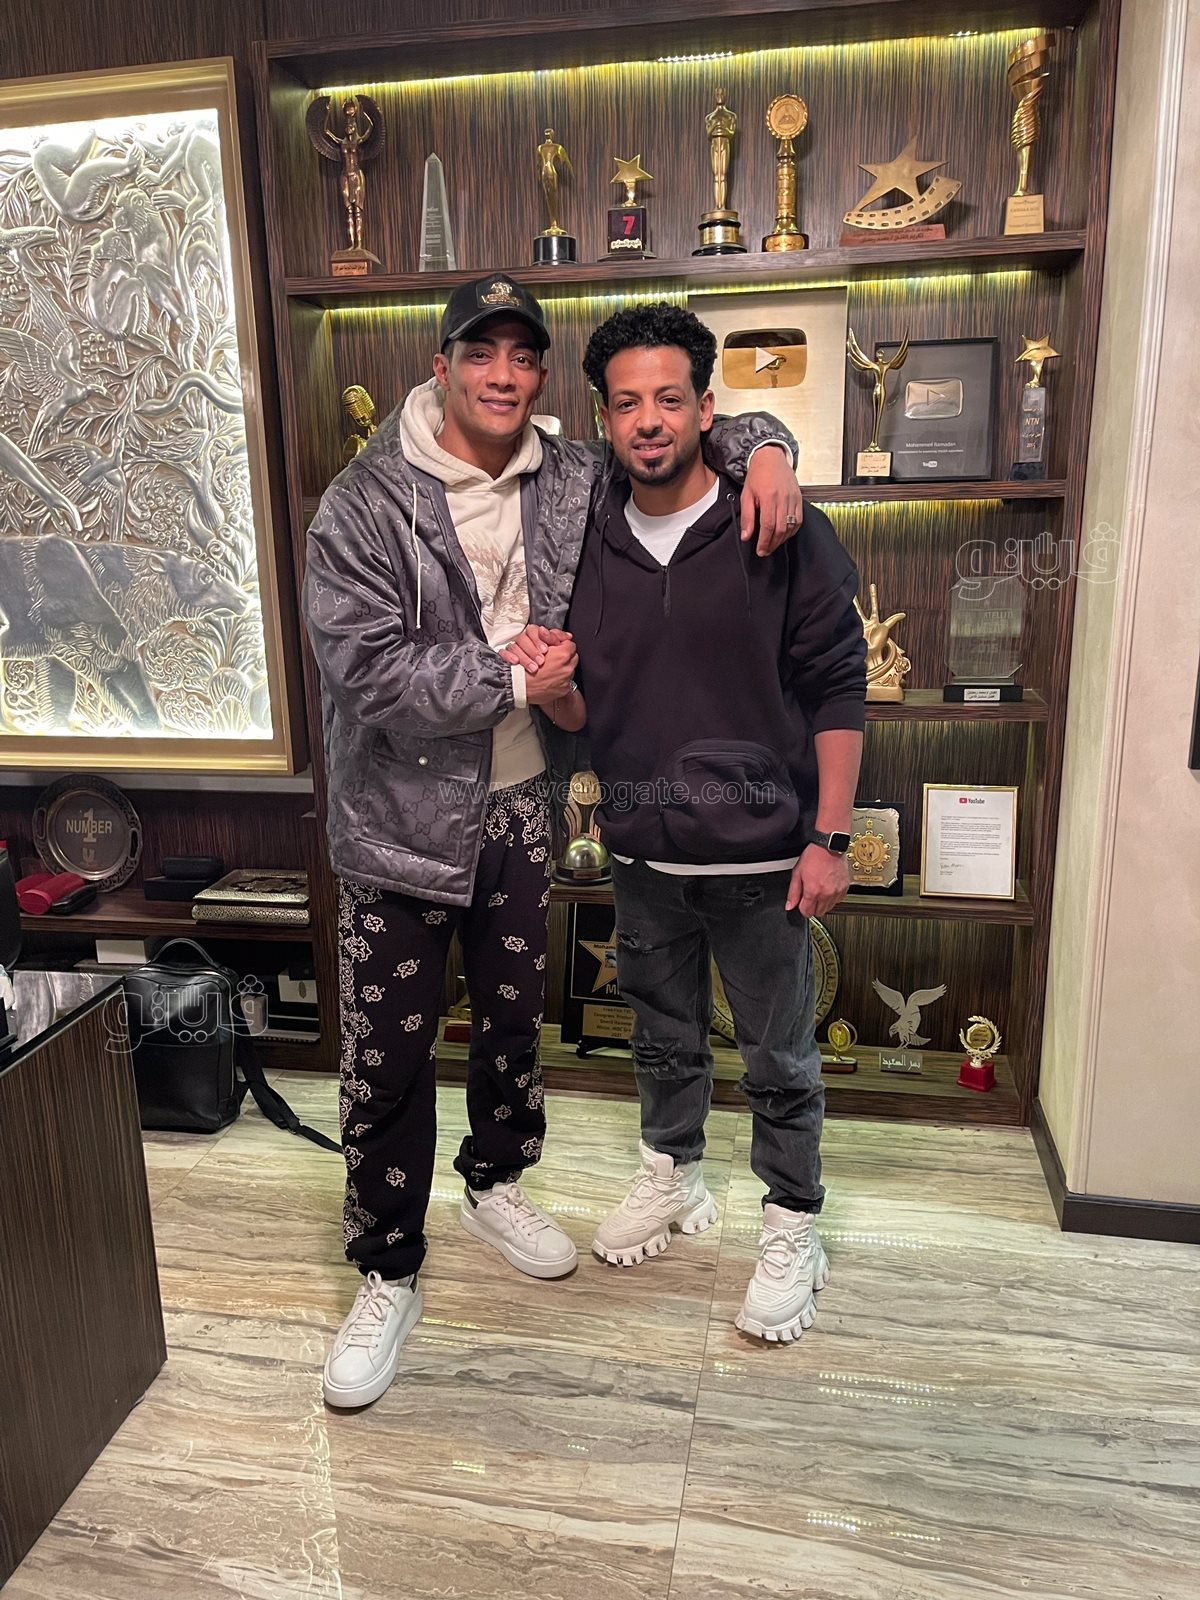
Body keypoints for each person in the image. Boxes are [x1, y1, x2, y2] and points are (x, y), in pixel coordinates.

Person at [304, 275, 803, 1407]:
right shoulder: (366, 502)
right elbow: (364, 670)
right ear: (441, 366)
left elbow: (672, 431)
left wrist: (768, 445)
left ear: (538, 374)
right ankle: (388, 1268)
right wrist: (511, 675)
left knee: (512, 1022)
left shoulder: (568, 472)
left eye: (523, 357)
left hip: (524, 805)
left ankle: (494, 1182)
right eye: (480, 354)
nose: (502, 376)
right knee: (387, 1058)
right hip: (396, 827)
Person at [545, 303, 866, 1343]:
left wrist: (830, 839)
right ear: (604, 417)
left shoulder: (775, 521)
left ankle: (793, 1220)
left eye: (669, 399)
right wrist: (555, 692)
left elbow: (838, 685)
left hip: (767, 856)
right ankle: (674, 1172)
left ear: (705, 409)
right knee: (662, 1035)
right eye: (627, 403)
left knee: (779, 1056)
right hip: (643, 850)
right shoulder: (583, 538)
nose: (649, 420)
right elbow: (588, 707)